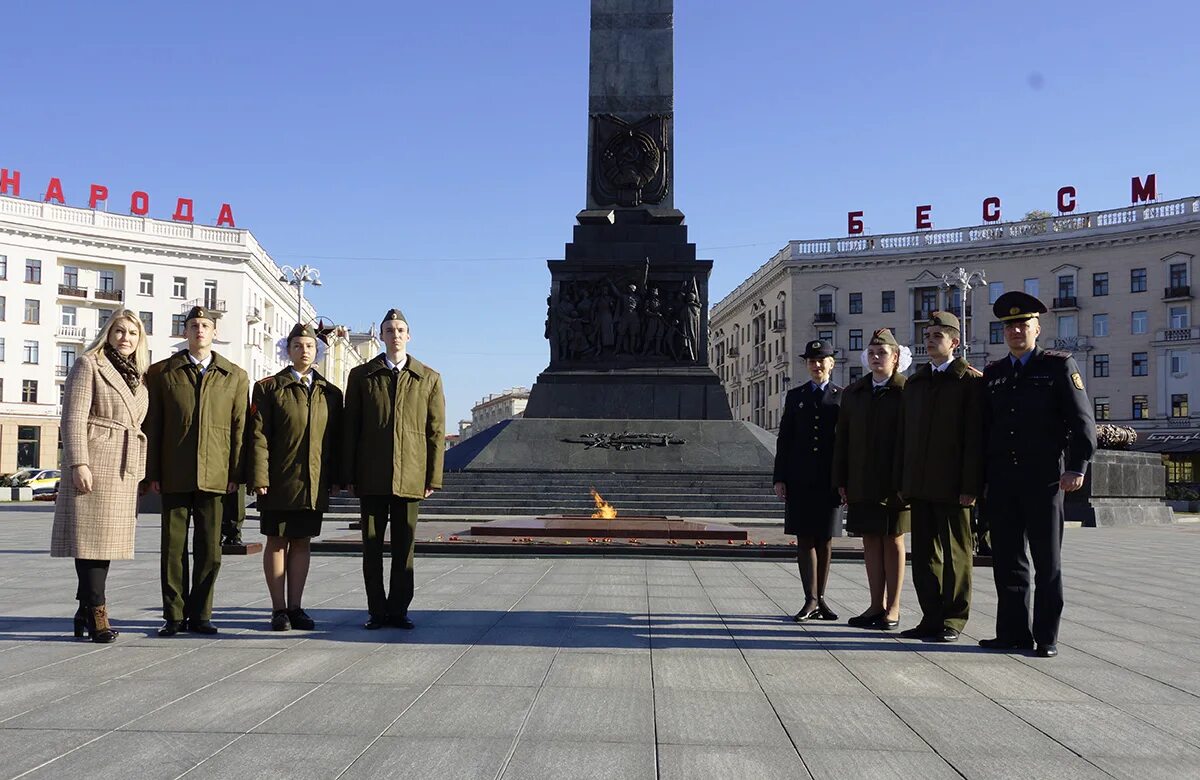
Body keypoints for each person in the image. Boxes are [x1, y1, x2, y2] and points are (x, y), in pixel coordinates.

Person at [980, 291, 1096, 658]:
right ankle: (1012, 633)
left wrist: (1078, 466)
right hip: (1002, 480)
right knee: (1008, 560)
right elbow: (986, 428)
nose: (1016, 330)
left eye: (1023, 324)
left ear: (1037, 328)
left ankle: (1046, 636)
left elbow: (1082, 422)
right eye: (1010, 326)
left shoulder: (1059, 365)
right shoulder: (995, 374)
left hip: (1044, 479)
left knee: (1047, 562)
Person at [143, 305, 249, 636]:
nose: (199, 330)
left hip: (216, 475)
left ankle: (201, 614)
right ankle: (173, 615)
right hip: (174, 473)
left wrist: (236, 474)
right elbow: (153, 425)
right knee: (173, 548)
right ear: (184, 332)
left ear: (215, 332)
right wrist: (152, 472)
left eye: (205, 325)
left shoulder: (234, 375)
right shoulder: (161, 373)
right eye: (193, 325)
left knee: (209, 549)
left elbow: (239, 429)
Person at [50, 310, 150, 643]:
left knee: (103, 544)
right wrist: (78, 462)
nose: (125, 338)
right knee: (90, 542)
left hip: (123, 465)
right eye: (119, 331)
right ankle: (97, 614)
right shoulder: (89, 364)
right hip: (96, 459)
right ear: (108, 333)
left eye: (133, 334)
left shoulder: (139, 374)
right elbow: (73, 418)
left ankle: (83, 610)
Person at [343, 308, 445, 630]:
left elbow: (436, 431)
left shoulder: (428, 377)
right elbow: (351, 428)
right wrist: (348, 474)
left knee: (404, 548)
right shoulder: (361, 376)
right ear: (382, 336)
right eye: (389, 330)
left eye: (400, 329)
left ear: (409, 336)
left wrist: (433, 476)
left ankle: (399, 611)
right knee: (371, 548)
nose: (395, 335)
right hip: (371, 476)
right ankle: (377, 611)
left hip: (411, 476)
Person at [248, 323, 343, 631]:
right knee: (276, 541)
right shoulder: (269, 388)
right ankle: (278, 609)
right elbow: (258, 435)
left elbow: (335, 440)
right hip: (278, 479)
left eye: (310, 346)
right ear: (287, 351)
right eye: (298, 346)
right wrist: (259, 476)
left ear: (318, 352)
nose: (304, 351)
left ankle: (296, 607)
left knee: (301, 542)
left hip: (313, 482)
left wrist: (337, 477)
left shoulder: (330, 393)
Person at [898, 311, 984, 644]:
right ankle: (930, 617)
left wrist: (970, 486)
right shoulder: (917, 383)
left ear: (955, 342)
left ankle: (953, 618)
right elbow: (905, 438)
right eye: (928, 334)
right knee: (924, 556)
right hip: (919, 485)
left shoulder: (969, 381)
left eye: (938, 335)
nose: (930, 339)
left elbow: (975, 439)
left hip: (954, 486)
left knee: (956, 554)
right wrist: (904, 482)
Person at [835, 328, 909, 631]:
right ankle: (875, 604)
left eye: (883, 353)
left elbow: (912, 439)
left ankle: (893, 607)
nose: (877, 358)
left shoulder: (907, 390)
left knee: (893, 539)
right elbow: (843, 439)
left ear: (896, 358)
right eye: (872, 353)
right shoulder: (854, 393)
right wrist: (841, 478)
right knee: (869, 540)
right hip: (862, 479)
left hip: (895, 480)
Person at [773, 339, 843, 622]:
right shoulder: (795, 396)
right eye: (811, 361)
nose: (816, 365)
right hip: (800, 477)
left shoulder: (842, 396)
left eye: (821, 360)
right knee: (805, 539)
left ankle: (822, 599)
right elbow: (785, 439)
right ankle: (809, 599)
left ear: (831, 363)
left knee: (825, 539)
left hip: (829, 478)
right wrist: (780, 477)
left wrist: (844, 478)